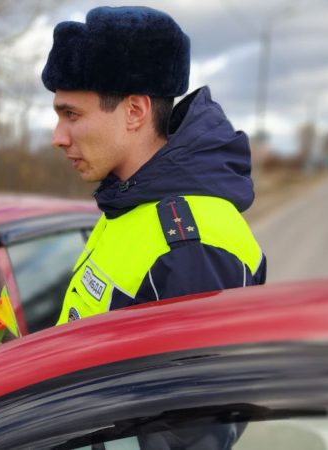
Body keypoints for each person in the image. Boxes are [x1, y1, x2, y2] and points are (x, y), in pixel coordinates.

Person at [42, 6, 267, 324]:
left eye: (72, 115)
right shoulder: (128, 202)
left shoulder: (190, 249)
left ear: (134, 111)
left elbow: (195, 374)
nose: (58, 137)